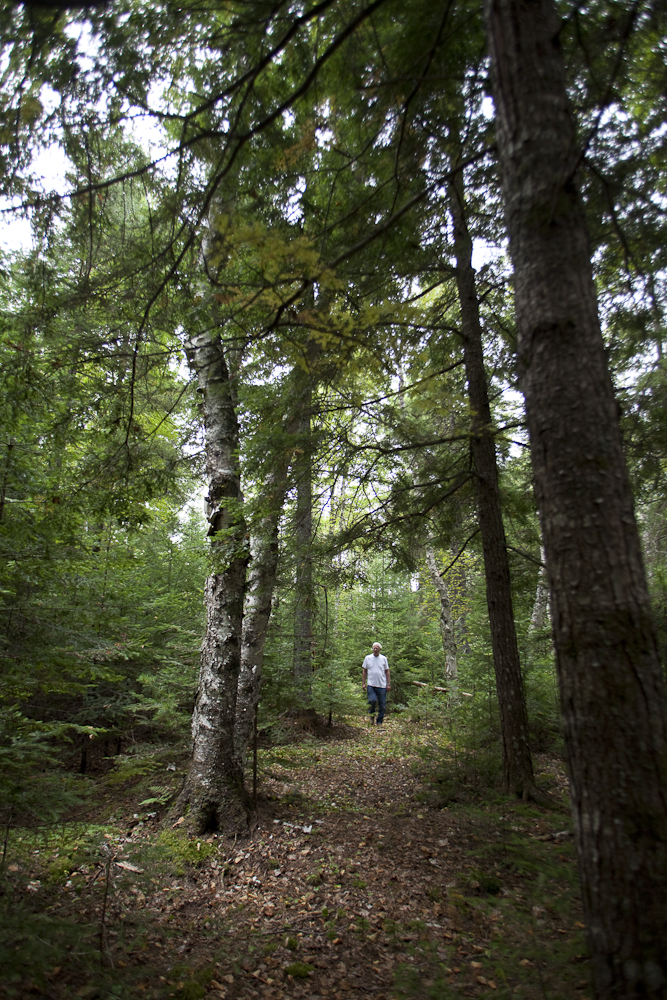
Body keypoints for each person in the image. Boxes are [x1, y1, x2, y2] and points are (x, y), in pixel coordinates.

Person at [361, 642, 391, 726]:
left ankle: (379, 721)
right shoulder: (368, 658)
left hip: (382, 685)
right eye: (374, 648)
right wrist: (363, 683)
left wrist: (388, 684)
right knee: (372, 700)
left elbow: (387, 671)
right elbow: (364, 671)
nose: (375, 649)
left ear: (380, 649)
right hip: (371, 684)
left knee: (382, 704)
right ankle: (371, 716)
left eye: (377, 648)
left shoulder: (383, 658)